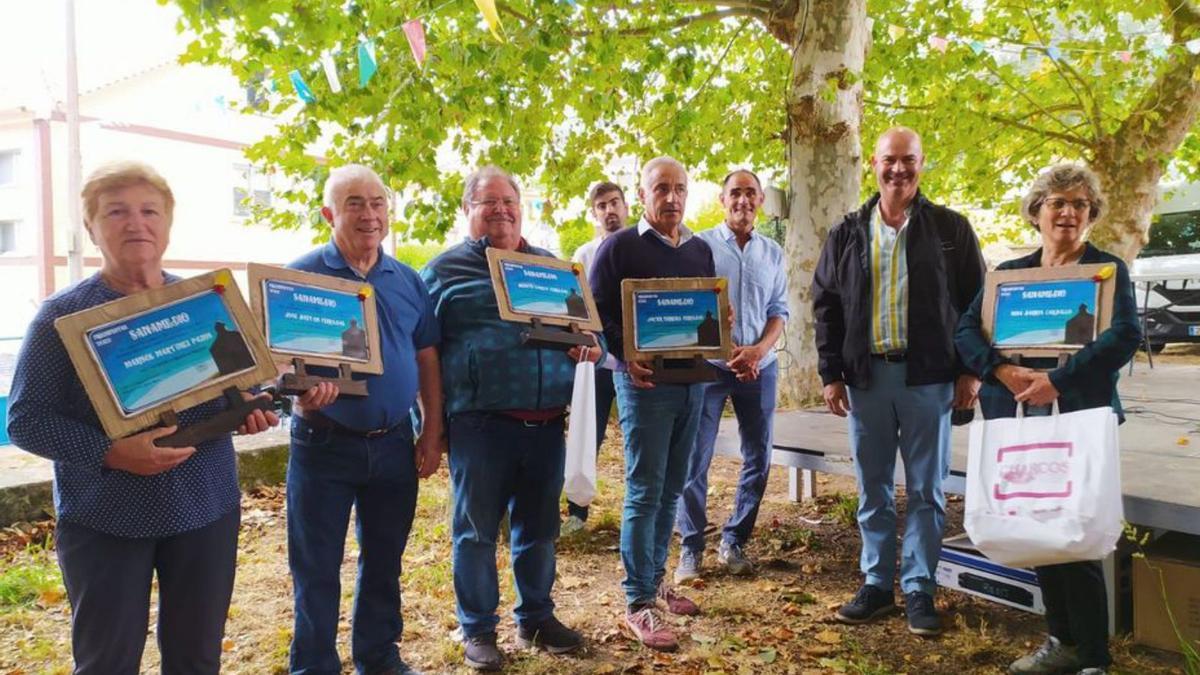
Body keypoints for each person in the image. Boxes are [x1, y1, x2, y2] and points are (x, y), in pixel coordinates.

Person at [6, 161, 280, 674]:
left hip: (206, 506)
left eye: (149, 211)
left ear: (168, 225)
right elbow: (25, 419)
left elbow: (236, 389)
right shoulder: (62, 317)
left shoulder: (208, 304)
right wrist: (109, 452)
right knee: (107, 660)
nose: (137, 224)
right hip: (105, 516)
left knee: (196, 657)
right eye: (117, 212)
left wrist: (252, 408)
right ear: (91, 228)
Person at [956, 163, 1140, 675]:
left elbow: (1122, 336)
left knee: (1075, 533)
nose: (1068, 212)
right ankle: (1061, 641)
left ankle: (1094, 658)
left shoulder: (1106, 272)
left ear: (1091, 214)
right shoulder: (1011, 276)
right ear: (1036, 212)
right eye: (1057, 202)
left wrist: (1059, 380)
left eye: (1080, 204)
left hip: (1076, 420)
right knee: (1036, 529)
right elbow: (966, 332)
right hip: (1016, 423)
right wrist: (1003, 370)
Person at [422, 166, 602, 671]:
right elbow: (423, 352)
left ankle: (537, 618)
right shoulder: (442, 272)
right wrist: (430, 427)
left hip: (546, 423)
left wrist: (590, 347)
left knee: (539, 528)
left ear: (522, 209)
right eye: (487, 202)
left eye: (509, 201)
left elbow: (592, 334)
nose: (500, 210)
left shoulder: (552, 268)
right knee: (476, 532)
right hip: (480, 425)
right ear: (467, 211)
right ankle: (478, 629)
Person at [812, 127, 985, 636]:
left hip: (928, 379)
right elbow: (826, 306)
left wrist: (971, 369)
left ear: (921, 164)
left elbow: (977, 304)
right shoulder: (847, 232)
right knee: (873, 488)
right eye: (890, 160)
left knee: (928, 491)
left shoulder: (951, 230)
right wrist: (830, 373)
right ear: (874, 163)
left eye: (908, 160)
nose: (898, 170)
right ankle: (875, 583)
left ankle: (918, 589)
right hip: (866, 379)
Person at [286, 164, 444, 675]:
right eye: (355, 203)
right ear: (329, 213)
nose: (369, 214)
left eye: (378, 203)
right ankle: (314, 666)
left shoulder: (407, 280)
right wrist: (300, 389)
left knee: (384, 561)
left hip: (396, 443)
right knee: (316, 569)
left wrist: (432, 431)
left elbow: (426, 358)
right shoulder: (299, 278)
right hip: (323, 445)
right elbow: (277, 362)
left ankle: (378, 657)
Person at [590, 156, 715, 651]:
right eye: (661, 188)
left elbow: (706, 312)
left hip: (694, 384)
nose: (672, 197)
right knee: (644, 490)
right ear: (642, 195)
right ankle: (637, 601)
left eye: (680, 188)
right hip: (643, 388)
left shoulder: (701, 249)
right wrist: (623, 355)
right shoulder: (617, 248)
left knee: (671, 489)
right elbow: (596, 316)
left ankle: (655, 580)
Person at [675, 169, 789, 581]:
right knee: (694, 457)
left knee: (759, 456)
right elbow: (689, 305)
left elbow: (780, 312)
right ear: (722, 200)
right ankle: (691, 548)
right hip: (709, 368)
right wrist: (726, 351)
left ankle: (734, 540)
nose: (743, 200)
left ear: (761, 201)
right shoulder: (699, 246)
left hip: (760, 367)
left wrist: (758, 350)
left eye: (750, 194)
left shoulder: (773, 252)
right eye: (735, 193)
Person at [563, 181, 630, 534]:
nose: (609, 210)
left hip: (637, 363)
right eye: (602, 205)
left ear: (627, 206)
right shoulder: (584, 256)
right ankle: (578, 512)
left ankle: (640, 511)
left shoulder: (640, 248)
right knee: (590, 434)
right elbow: (576, 309)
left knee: (642, 438)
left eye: (614, 202)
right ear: (594, 213)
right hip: (600, 362)